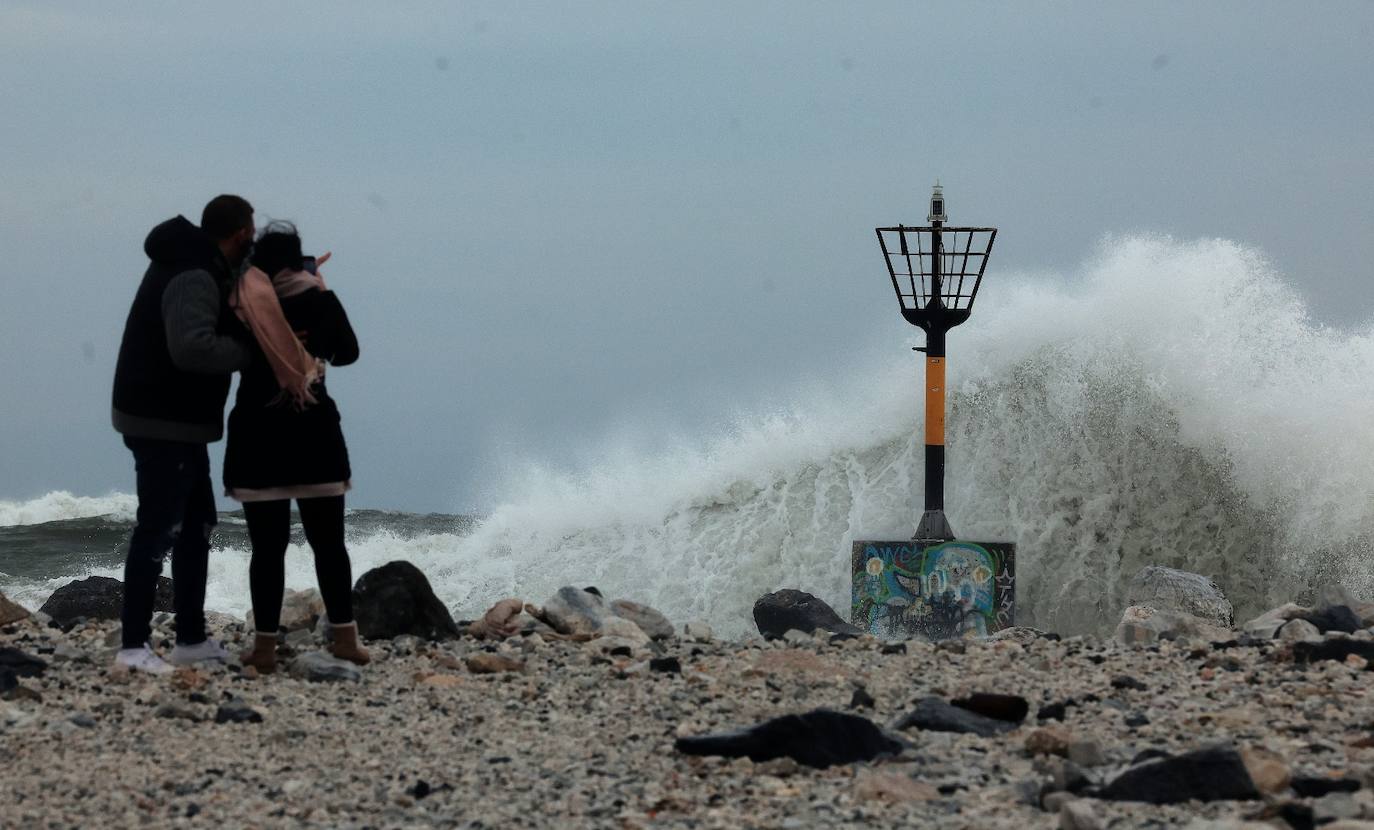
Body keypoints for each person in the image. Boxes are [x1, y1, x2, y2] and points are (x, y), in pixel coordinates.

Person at [111, 195, 255, 674]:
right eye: (249, 239)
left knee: (197, 526)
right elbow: (191, 348)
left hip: (177, 421)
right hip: (159, 419)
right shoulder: (193, 274)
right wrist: (250, 351)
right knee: (159, 527)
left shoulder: (202, 267)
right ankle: (133, 648)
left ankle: (190, 639)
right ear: (238, 235)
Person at [224, 221, 369, 673]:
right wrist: (317, 325)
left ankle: (264, 649)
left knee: (267, 549)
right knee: (330, 544)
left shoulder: (243, 302)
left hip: (258, 434)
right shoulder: (316, 297)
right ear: (297, 259)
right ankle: (345, 639)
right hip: (313, 433)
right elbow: (347, 352)